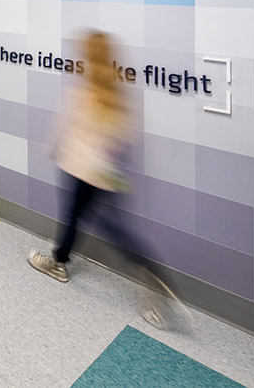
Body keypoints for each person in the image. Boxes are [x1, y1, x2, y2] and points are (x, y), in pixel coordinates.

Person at [28, 30, 187, 329]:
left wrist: (50, 149)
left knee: (73, 217)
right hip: (107, 172)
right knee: (113, 226)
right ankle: (148, 270)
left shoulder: (81, 89)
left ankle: (58, 264)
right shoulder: (118, 92)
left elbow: (62, 126)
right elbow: (128, 135)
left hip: (79, 166)